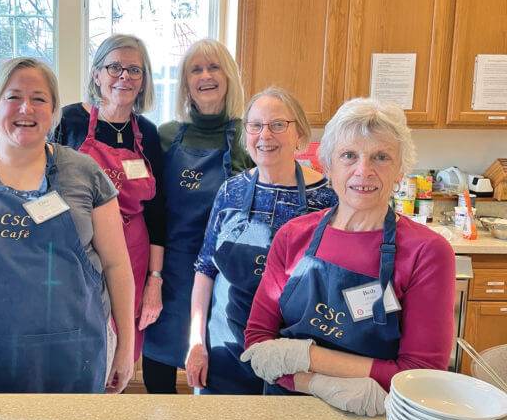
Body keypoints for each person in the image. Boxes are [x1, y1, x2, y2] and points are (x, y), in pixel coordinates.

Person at [242, 98, 456, 417]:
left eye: (381, 157)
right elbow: (258, 343)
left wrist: (301, 358)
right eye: (349, 156)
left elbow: (419, 375)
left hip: (372, 418)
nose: (363, 171)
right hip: (282, 412)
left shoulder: (427, 252)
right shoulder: (292, 235)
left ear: (400, 171)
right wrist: (316, 384)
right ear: (327, 167)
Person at [0, 57, 135, 393]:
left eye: (39, 99)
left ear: (54, 110)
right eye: (13, 97)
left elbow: (117, 265)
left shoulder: (84, 172)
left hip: (73, 352)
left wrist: (127, 350)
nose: (25, 108)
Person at [185, 87, 337, 394]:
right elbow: (206, 269)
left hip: (294, 355)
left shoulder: (329, 198)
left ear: (300, 134)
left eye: (278, 125)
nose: (265, 135)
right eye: (255, 125)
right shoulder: (231, 191)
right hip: (226, 348)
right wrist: (196, 342)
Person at [142, 38, 254, 394]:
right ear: (186, 82)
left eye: (213, 67)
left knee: (218, 375)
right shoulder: (165, 136)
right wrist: (153, 276)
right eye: (196, 69)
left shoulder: (249, 136)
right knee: (158, 374)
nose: (205, 76)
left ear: (228, 76)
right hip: (170, 273)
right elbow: (151, 210)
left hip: (227, 278)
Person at [52, 34, 164, 363]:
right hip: (78, 248)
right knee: (79, 339)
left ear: (143, 83)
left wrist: (154, 281)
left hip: (134, 252)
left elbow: (158, 214)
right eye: (114, 67)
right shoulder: (67, 121)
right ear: (97, 74)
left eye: (134, 70)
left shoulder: (149, 133)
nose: (124, 76)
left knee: (122, 348)